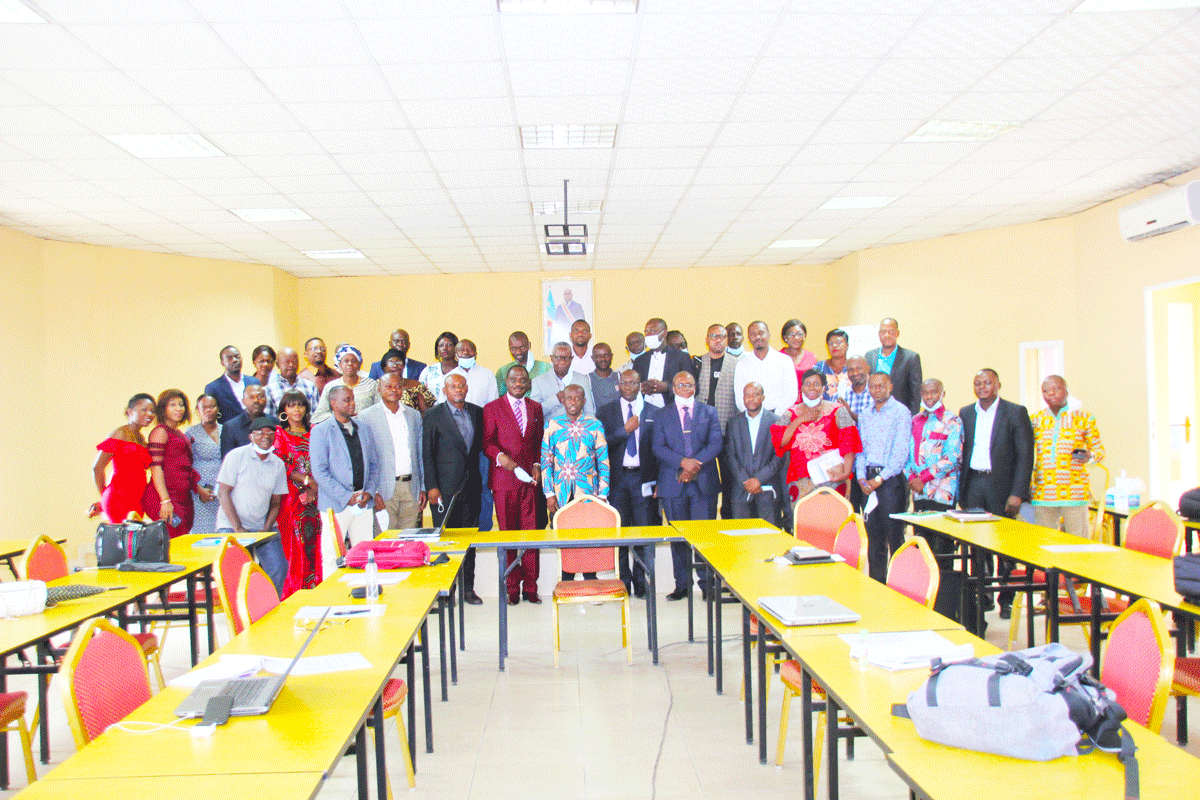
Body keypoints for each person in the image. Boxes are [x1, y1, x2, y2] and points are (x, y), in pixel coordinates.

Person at [959, 368, 1034, 620]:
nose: (982, 387)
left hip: (1002, 486)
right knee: (977, 544)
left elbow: (1025, 455)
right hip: (974, 483)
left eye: (987, 382)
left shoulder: (1015, 412)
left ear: (998, 385)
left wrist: (1018, 493)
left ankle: (1007, 599)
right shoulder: (966, 413)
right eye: (977, 383)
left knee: (1004, 544)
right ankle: (984, 595)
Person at [653, 371, 723, 600]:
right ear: (673, 387)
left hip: (703, 482)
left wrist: (693, 465)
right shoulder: (661, 414)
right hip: (673, 483)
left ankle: (707, 585)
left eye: (689, 384)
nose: (685, 388)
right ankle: (682, 585)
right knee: (678, 539)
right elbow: (658, 447)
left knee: (704, 537)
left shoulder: (709, 411)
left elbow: (716, 443)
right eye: (680, 384)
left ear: (695, 387)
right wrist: (683, 463)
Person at [483, 365, 545, 605]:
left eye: (523, 380)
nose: (518, 383)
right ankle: (511, 588)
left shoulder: (536, 408)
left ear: (528, 383)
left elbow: (538, 441)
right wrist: (502, 458)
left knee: (531, 534)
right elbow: (487, 443)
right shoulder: (492, 408)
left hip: (530, 481)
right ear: (506, 383)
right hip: (504, 481)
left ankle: (531, 587)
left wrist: (537, 464)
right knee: (508, 534)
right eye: (514, 380)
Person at [423, 373, 485, 604]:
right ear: (445, 390)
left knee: (468, 541)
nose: (458, 390)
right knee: (445, 541)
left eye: (461, 386)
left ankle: (468, 589)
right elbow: (427, 452)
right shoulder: (433, 415)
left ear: (467, 388)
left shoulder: (477, 412)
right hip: (443, 490)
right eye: (453, 386)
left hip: (472, 487)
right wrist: (431, 486)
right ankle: (446, 590)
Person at [597, 369, 658, 597]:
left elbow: (659, 449)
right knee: (619, 532)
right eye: (625, 383)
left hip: (644, 478)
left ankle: (641, 583)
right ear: (619, 385)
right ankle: (623, 582)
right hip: (618, 479)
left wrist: (659, 481)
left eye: (634, 382)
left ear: (640, 385)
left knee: (642, 532)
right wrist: (624, 431)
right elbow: (601, 444)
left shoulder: (653, 411)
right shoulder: (606, 411)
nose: (629, 386)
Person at [542, 384, 610, 580]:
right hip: (561, 494)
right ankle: (566, 582)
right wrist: (549, 493)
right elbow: (546, 460)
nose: (573, 402)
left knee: (588, 539)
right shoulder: (552, 425)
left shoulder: (595, 425)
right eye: (569, 398)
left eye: (577, 398)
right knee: (564, 541)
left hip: (588, 493)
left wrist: (603, 494)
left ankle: (590, 580)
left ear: (584, 401)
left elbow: (603, 460)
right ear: (562, 400)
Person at [215, 416, 290, 592]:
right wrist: (238, 528)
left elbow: (276, 503)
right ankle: (243, 607)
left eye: (270, 433)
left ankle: (266, 603)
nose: (266, 436)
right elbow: (223, 493)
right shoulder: (236, 456)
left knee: (278, 568)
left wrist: (266, 528)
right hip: (231, 526)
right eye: (260, 432)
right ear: (251, 436)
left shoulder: (277, 464)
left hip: (262, 527)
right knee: (239, 573)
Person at [771, 369, 861, 514]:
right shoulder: (791, 412)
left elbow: (849, 443)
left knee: (833, 520)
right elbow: (780, 442)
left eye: (816, 384)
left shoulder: (838, 410)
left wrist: (846, 473)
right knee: (804, 521)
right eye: (807, 384)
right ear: (801, 388)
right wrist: (800, 420)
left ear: (824, 388)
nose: (812, 387)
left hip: (833, 477)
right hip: (801, 480)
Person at [1031, 375, 1104, 539]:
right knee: (1044, 542)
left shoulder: (1084, 418)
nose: (1050, 394)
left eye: (1055, 389)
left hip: (1074, 492)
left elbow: (1099, 451)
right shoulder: (1034, 420)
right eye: (1045, 391)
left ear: (1066, 390)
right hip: (1043, 492)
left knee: (1078, 543)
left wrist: (1090, 456)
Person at [855, 373, 912, 582]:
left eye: (881, 386)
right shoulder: (865, 414)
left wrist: (880, 478)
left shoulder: (901, 412)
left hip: (891, 481)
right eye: (872, 386)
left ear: (890, 386)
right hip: (867, 482)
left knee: (895, 537)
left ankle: (899, 586)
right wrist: (861, 477)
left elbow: (901, 451)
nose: (876, 390)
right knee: (874, 539)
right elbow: (860, 450)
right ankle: (876, 585)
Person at [358, 373, 426, 530]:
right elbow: (364, 457)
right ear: (379, 389)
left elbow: (420, 453)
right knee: (386, 539)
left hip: (411, 487)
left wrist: (422, 487)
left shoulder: (413, 415)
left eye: (397, 386)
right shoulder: (366, 416)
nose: (394, 390)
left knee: (409, 538)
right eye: (388, 386)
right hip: (383, 489)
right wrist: (373, 491)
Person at [142, 389, 211, 538]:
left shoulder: (179, 433)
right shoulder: (160, 432)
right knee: (172, 540)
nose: (178, 409)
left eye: (181, 405)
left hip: (182, 497)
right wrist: (165, 501)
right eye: (172, 405)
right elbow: (156, 468)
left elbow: (184, 468)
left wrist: (199, 489)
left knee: (182, 538)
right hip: (164, 496)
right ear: (163, 408)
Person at [272, 389, 321, 597]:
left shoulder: (316, 431)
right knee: (296, 544)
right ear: (284, 410)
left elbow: (325, 459)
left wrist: (315, 486)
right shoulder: (280, 434)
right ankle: (296, 592)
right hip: (292, 498)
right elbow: (280, 464)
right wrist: (307, 482)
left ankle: (318, 588)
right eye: (291, 405)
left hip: (319, 495)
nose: (297, 409)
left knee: (318, 541)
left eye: (300, 405)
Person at [906, 379, 963, 555]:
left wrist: (922, 479)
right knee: (921, 543)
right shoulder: (915, 420)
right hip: (919, 491)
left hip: (942, 491)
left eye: (934, 392)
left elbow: (951, 457)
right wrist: (911, 478)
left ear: (942, 394)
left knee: (941, 546)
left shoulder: (952, 421)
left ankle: (943, 575)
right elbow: (907, 454)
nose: (929, 396)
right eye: (925, 393)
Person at [310, 385, 385, 518]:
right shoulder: (320, 431)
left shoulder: (364, 428)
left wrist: (369, 492)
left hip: (363, 503)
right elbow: (319, 472)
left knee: (365, 534)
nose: (352, 403)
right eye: (347, 400)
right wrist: (346, 497)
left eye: (353, 399)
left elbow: (374, 465)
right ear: (333, 403)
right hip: (335, 505)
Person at [695, 323, 741, 520]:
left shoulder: (738, 363)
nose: (718, 340)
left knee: (729, 479)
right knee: (704, 478)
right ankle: (706, 517)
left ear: (727, 340)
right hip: (701, 432)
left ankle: (728, 518)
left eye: (722, 336)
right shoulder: (697, 362)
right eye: (713, 336)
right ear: (707, 340)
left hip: (727, 431)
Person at [725, 382, 784, 526]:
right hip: (741, 489)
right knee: (742, 535)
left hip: (767, 489)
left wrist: (758, 479)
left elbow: (779, 456)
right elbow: (730, 456)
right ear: (743, 398)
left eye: (755, 394)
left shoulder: (777, 421)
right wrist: (746, 480)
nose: (751, 398)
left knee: (768, 535)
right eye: (747, 395)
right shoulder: (733, 422)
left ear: (763, 397)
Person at [89, 393, 155, 523]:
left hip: (137, 499)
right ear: (130, 411)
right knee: (124, 535)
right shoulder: (120, 433)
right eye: (144, 409)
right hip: (119, 499)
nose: (149, 414)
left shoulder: (141, 438)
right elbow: (97, 468)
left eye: (152, 411)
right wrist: (104, 496)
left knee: (133, 535)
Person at [733, 320, 798, 418]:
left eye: (761, 333)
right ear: (749, 338)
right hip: (751, 418)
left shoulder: (784, 360)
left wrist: (775, 416)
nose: (758, 337)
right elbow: (739, 399)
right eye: (753, 334)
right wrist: (755, 416)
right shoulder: (742, 365)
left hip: (780, 417)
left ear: (768, 335)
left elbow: (791, 394)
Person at [865, 318, 923, 413]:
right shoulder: (869, 356)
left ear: (897, 333)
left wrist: (912, 418)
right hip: (874, 414)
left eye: (891, 332)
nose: (887, 335)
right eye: (883, 332)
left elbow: (916, 393)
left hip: (900, 415)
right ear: (879, 334)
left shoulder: (911, 358)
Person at [633, 318, 693, 409]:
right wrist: (642, 387)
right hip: (645, 411)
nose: (648, 335)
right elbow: (633, 387)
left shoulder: (681, 357)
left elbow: (692, 386)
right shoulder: (640, 360)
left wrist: (666, 387)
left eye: (652, 331)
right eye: (646, 332)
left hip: (672, 410)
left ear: (664, 333)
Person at [312, 344, 379, 425]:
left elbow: (380, 411)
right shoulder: (330, 387)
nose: (350, 364)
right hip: (339, 430)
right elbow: (318, 416)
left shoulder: (371, 385)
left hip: (367, 428)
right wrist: (341, 417)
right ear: (339, 364)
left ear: (359, 364)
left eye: (354, 361)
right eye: (346, 361)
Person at [839, 356, 872, 512]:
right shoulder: (844, 394)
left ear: (868, 369)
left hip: (870, 462)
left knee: (869, 512)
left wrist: (849, 413)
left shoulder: (875, 393)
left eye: (859, 368)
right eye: (851, 369)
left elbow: (872, 424)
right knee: (851, 510)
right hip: (850, 462)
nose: (855, 372)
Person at [186, 394, 223, 533]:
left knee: (222, 529)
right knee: (203, 530)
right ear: (198, 410)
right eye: (204, 407)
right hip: (200, 489)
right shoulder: (191, 432)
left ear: (217, 409)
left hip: (223, 487)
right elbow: (185, 464)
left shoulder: (226, 429)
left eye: (212, 406)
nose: (209, 410)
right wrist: (198, 488)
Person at [532, 341, 595, 420]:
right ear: (551, 358)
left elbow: (589, 412)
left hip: (578, 427)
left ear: (571, 359)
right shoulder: (538, 381)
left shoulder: (583, 380)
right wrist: (556, 399)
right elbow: (534, 414)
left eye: (566, 358)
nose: (562, 362)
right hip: (550, 427)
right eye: (558, 358)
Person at [204, 345, 262, 423]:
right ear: (222, 363)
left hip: (256, 427)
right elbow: (211, 416)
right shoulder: (213, 388)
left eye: (237, 357)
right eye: (229, 358)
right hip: (230, 429)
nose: (234, 360)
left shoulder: (254, 382)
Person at [265, 347, 319, 418]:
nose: (291, 365)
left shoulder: (310, 387)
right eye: (287, 362)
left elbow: (316, 416)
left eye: (294, 361)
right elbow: (269, 419)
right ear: (278, 364)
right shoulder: (269, 390)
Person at [378, 347, 435, 413]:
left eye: (398, 362)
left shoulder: (416, 385)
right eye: (391, 363)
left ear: (403, 366)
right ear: (384, 367)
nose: (395, 365)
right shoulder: (376, 385)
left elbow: (428, 411)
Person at [220, 384, 268, 459]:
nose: (256, 400)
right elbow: (227, 459)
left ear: (266, 399)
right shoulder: (231, 427)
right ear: (243, 401)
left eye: (260, 396)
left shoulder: (274, 422)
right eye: (251, 397)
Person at [495, 330, 551, 395]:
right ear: (509, 348)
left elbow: (553, 393)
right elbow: (499, 398)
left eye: (522, 348)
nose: (518, 352)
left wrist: (534, 385)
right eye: (514, 348)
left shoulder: (545, 368)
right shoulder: (503, 372)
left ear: (529, 345)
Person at [419, 331, 465, 405]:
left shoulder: (462, 371)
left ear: (456, 348)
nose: (445, 348)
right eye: (441, 345)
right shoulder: (428, 371)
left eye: (449, 345)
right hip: (432, 411)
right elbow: (420, 395)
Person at [455, 338, 499, 408]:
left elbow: (493, 402)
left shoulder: (488, 374)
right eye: (461, 350)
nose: (466, 352)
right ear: (456, 356)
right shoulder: (449, 376)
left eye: (469, 350)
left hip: (482, 414)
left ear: (476, 354)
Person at [781, 319, 818, 400]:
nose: (796, 338)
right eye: (791, 334)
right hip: (784, 402)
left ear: (805, 336)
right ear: (785, 337)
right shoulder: (778, 357)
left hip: (807, 403)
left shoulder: (812, 358)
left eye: (800, 334)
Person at [815, 329, 851, 401]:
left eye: (838, 343)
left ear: (847, 345)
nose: (834, 346)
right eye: (831, 343)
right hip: (825, 407)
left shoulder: (854, 367)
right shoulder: (819, 367)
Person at [588, 342, 619, 411]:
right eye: (598, 356)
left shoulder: (620, 378)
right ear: (592, 358)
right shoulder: (587, 380)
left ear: (611, 356)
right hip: (595, 418)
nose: (603, 359)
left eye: (606, 355)